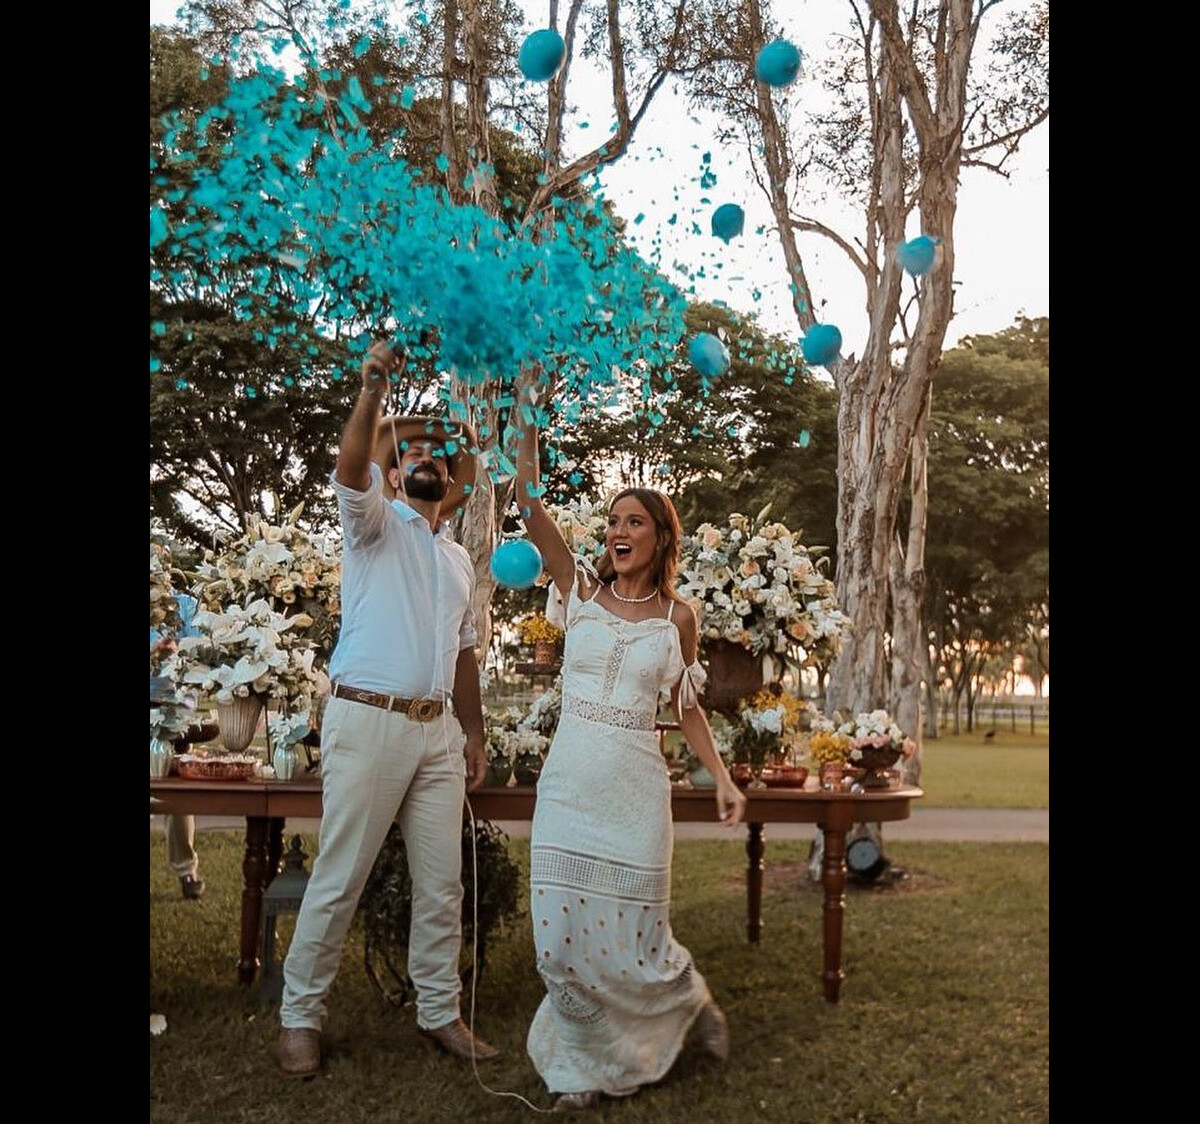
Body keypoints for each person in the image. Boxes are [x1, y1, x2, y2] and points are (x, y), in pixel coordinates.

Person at [511, 377, 747, 1113]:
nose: (619, 529)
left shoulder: (680, 617)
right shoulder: (576, 589)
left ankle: (687, 1002)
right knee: (557, 947)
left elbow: (689, 712)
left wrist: (724, 779)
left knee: (639, 943)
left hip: (635, 793)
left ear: (660, 536)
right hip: (570, 787)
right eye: (613, 519)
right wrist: (524, 420)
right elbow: (526, 501)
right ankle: (582, 1064)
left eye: (634, 520)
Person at [274, 339, 497, 1079]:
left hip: (437, 735)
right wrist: (373, 392)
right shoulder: (371, 523)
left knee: (442, 884)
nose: (427, 457)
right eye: (412, 453)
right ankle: (300, 1017)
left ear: (452, 484)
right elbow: (351, 465)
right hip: (367, 721)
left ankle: (439, 1014)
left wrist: (474, 729)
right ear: (395, 472)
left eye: (438, 455)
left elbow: (463, 650)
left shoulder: (460, 558)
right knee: (341, 875)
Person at [150, 593, 205, 901]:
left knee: (178, 794)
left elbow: (201, 651)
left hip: (176, 710)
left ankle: (186, 871)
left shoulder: (185, 603)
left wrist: (177, 651)